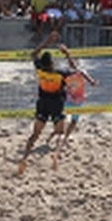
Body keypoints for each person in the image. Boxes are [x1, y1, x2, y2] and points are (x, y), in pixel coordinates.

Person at [18, 31, 73, 175]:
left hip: (42, 103)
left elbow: (34, 54)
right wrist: (67, 53)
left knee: (35, 134)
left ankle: (24, 158)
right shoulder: (60, 73)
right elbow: (74, 69)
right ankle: (56, 154)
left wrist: (47, 41)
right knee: (61, 133)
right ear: (52, 63)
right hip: (56, 104)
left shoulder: (40, 69)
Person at [51, 51, 98, 169]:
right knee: (73, 121)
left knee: (62, 118)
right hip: (77, 102)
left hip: (68, 101)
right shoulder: (81, 73)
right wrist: (94, 83)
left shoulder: (66, 75)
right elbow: (91, 82)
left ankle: (56, 135)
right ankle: (64, 139)